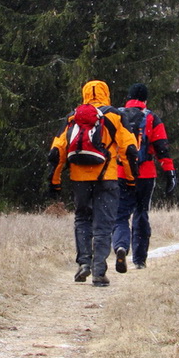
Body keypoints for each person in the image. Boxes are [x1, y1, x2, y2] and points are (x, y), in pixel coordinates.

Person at [48, 80, 139, 287]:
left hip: (79, 179)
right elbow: (129, 150)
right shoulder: (115, 116)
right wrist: (132, 180)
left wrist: (54, 182)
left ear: (85, 94)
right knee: (103, 224)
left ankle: (83, 264)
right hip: (106, 178)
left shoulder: (74, 117)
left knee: (82, 219)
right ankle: (99, 271)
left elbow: (57, 151)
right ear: (107, 93)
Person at [112, 83, 176, 271]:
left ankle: (121, 246)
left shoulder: (117, 116)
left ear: (129, 97)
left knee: (120, 216)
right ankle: (139, 260)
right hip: (146, 173)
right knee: (141, 213)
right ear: (145, 100)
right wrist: (170, 173)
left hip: (121, 172)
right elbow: (161, 148)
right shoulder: (152, 118)